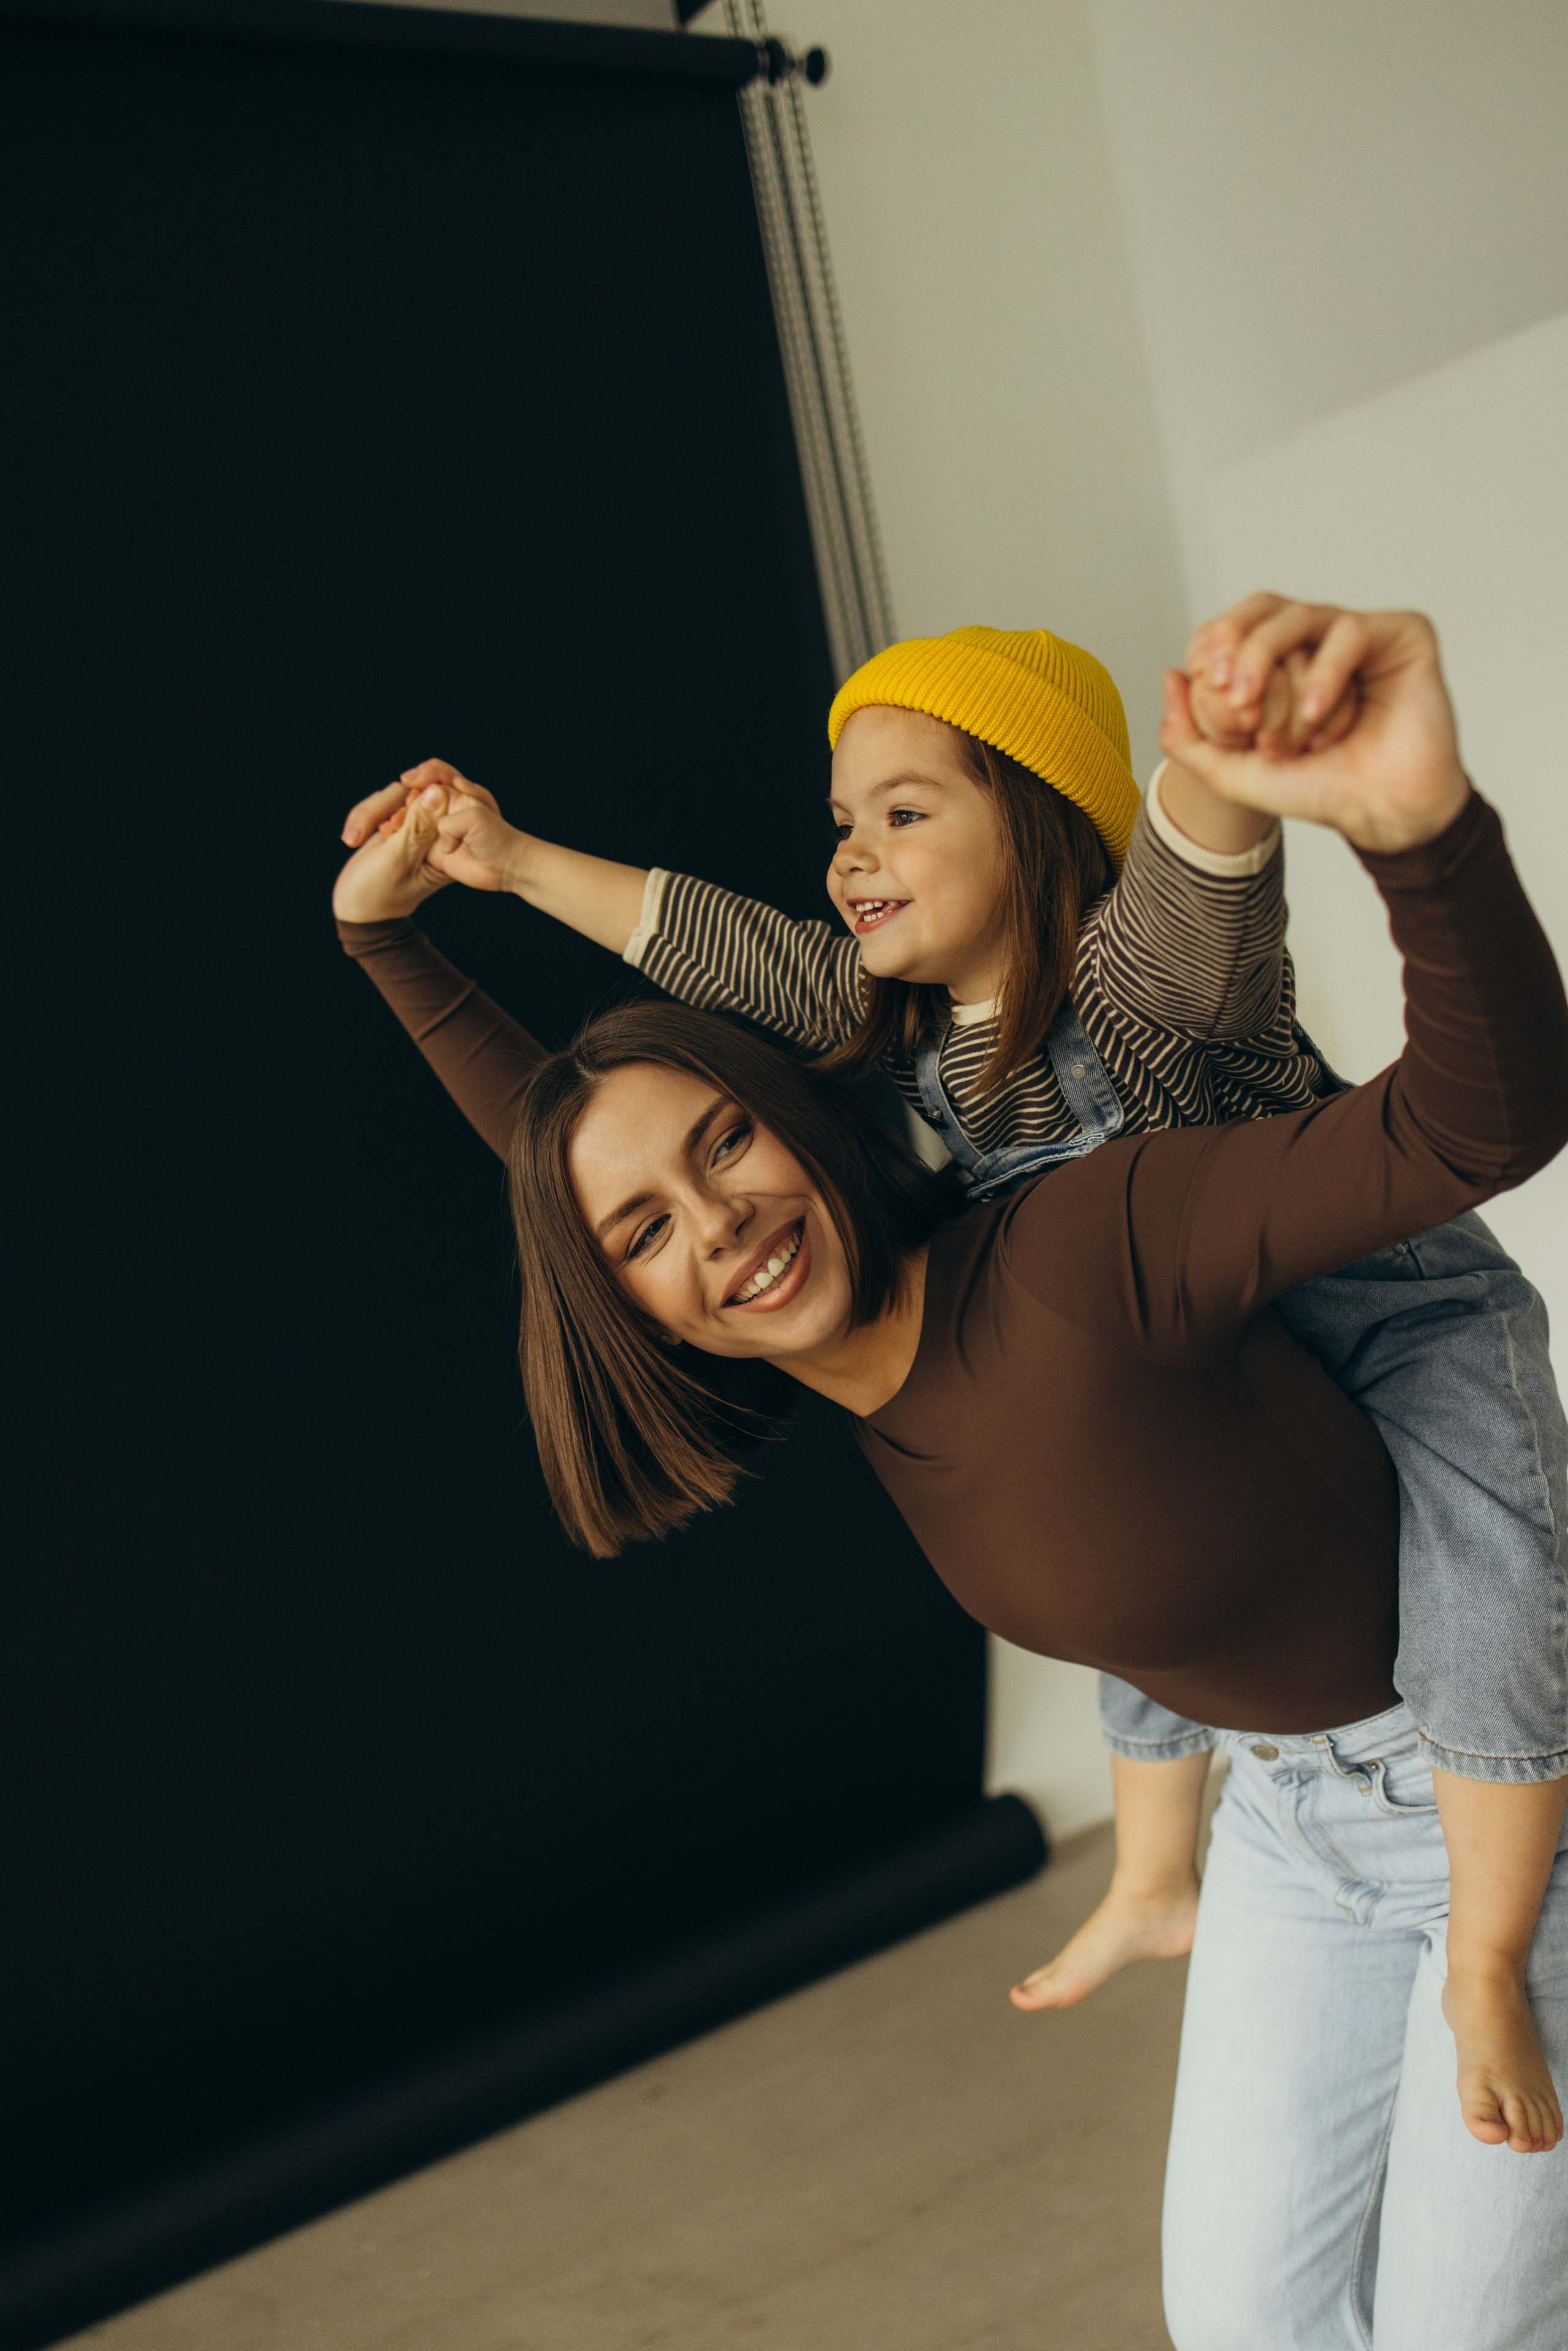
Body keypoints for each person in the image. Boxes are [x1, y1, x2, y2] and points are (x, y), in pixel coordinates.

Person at [339, 596, 1568, 2167]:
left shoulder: (1141, 992)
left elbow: (1197, 878)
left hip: (1387, 1311)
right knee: (1128, 1585)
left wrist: (1218, 758)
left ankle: (1485, 1943)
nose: (850, 853)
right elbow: (680, 981)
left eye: (905, 811)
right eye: (841, 822)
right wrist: (494, 870)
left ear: (1040, 825)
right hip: (1200, 1395)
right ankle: (1153, 1870)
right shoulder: (895, 1027)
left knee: (1486, 1561)